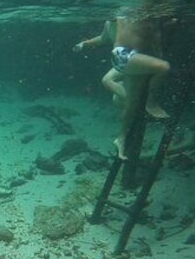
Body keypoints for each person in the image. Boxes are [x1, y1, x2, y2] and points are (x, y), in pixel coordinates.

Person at [111, 16, 171, 159]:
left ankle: (121, 139)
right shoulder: (152, 18)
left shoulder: (125, 16)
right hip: (126, 56)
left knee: (131, 103)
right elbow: (157, 49)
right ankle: (151, 103)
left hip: (121, 55)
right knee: (164, 67)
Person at [73, 19, 126, 106]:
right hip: (120, 61)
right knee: (116, 100)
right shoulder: (108, 23)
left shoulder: (127, 20)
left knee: (107, 80)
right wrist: (85, 43)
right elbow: (103, 38)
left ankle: (135, 102)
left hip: (132, 57)